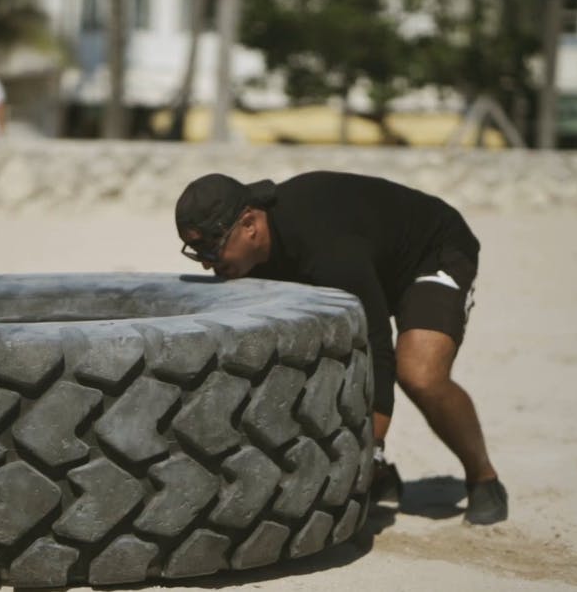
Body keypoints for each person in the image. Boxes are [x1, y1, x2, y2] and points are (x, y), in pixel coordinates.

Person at [174, 171, 508, 525]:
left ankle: (483, 477)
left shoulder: (324, 243)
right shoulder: (254, 257)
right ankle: (380, 479)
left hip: (432, 251)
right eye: (196, 253)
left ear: (250, 224)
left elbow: (375, 343)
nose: (208, 263)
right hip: (369, 263)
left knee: (419, 374)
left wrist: (372, 447)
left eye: (212, 246)